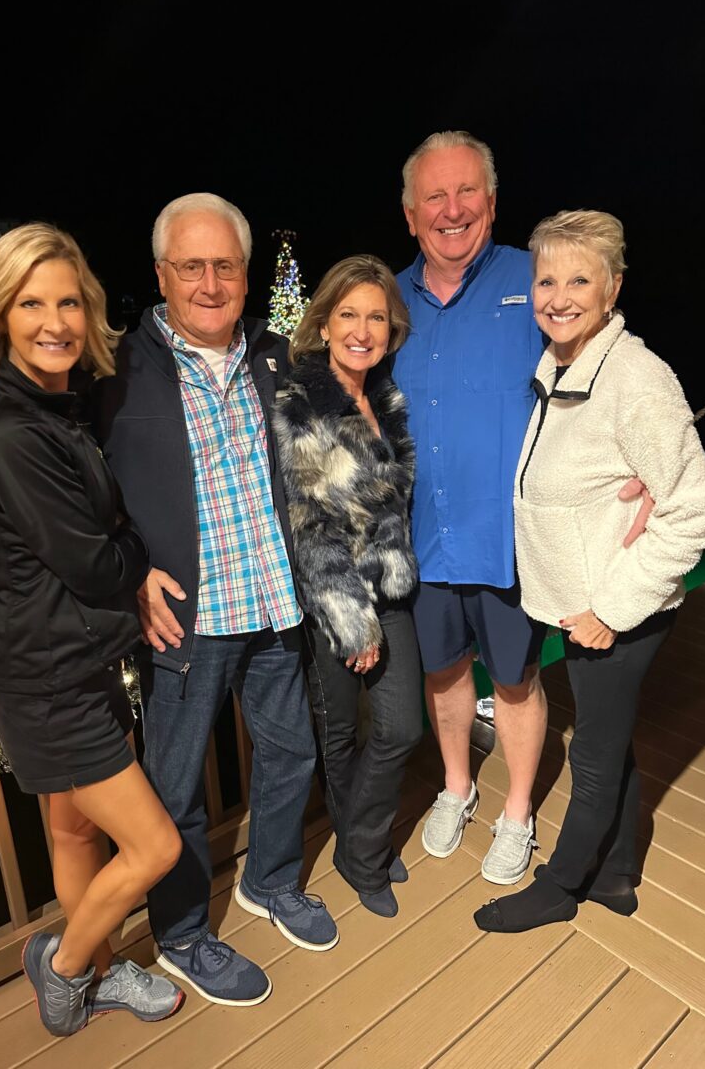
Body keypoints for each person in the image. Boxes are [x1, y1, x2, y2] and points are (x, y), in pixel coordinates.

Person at [94, 193, 338, 1009]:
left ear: (245, 273)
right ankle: (183, 933)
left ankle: (270, 882)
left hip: (272, 600)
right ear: (161, 274)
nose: (210, 283)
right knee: (176, 789)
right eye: (192, 266)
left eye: (225, 266)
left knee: (291, 753)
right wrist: (129, 571)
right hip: (186, 617)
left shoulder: (272, 355)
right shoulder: (118, 369)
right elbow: (86, 492)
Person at [0, 224, 184, 1037]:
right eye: (31, 304)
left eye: (69, 303)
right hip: (51, 681)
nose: (55, 322)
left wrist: (119, 545)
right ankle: (67, 966)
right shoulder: (13, 433)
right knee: (154, 849)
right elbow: (94, 564)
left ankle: (103, 973)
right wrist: (137, 550)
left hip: (66, 663)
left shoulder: (51, 410)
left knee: (74, 830)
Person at [394, 131, 652, 885]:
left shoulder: (532, 278)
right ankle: (457, 787)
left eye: (466, 192)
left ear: (492, 201)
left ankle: (516, 813)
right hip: (421, 536)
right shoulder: (387, 299)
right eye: (434, 197)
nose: (452, 210)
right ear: (410, 214)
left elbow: (605, 360)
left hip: (507, 538)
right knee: (443, 675)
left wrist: (646, 464)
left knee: (515, 679)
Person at [474, 210, 705, 932]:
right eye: (546, 280)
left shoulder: (636, 379)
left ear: (612, 289)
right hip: (581, 601)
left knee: (593, 752)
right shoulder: (563, 366)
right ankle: (616, 875)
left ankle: (559, 886)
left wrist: (612, 608)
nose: (559, 297)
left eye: (579, 280)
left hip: (616, 607)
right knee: (609, 738)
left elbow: (697, 509)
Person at [274, 256, 423, 919]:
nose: (363, 330)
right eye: (349, 315)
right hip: (331, 599)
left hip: (389, 587)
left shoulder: (385, 398)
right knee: (337, 735)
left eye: (377, 318)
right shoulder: (303, 403)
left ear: (391, 329)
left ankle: (358, 848)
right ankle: (364, 848)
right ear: (324, 324)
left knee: (401, 727)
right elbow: (310, 523)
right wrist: (351, 621)